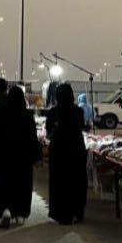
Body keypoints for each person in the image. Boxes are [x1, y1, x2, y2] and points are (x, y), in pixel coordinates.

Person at [0, 86, 40, 228]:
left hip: (5, 156)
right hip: (23, 157)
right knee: (22, 185)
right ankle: (20, 214)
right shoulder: (27, 115)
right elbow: (32, 137)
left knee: (4, 184)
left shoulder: (1, 114)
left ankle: (5, 210)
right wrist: (35, 156)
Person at [47, 83, 88, 225]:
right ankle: (77, 211)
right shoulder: (78, 111)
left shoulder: (53, 112)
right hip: (76, 150)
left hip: (59, 151)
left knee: (59, 182)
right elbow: (81, 126)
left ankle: (61, 213)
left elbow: (49, 132)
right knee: (76, 181)